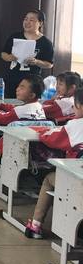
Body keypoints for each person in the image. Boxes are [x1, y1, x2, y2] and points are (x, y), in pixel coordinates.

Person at [25, 87, 83, 239]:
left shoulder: (76, 125)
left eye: (74, 106)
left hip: (78, 183)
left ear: (80, 106)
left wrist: (43, 132)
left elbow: (52, 138)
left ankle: (35, 226)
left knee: (49, 179)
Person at [0, 10, 54, 98]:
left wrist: (36, 62)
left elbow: (49, 64)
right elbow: (3, 54)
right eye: (26, 19)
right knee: (9, 103)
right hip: (12, 79)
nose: (27, 22)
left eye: (31, 20)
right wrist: (9, 57)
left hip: (32, 83)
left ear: (40, 23)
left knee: (28, 103)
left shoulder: (46, 43)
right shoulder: (15, 36)